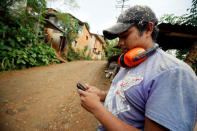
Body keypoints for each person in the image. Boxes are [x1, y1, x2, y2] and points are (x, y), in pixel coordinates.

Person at [77, 5, 197, 131]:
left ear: (148, 29)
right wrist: (101, 95)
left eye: (125, 36)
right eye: (119, 37)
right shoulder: (130, 61)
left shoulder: (172, 72)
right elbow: (127, 95)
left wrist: (97, 109)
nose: (119, 43)